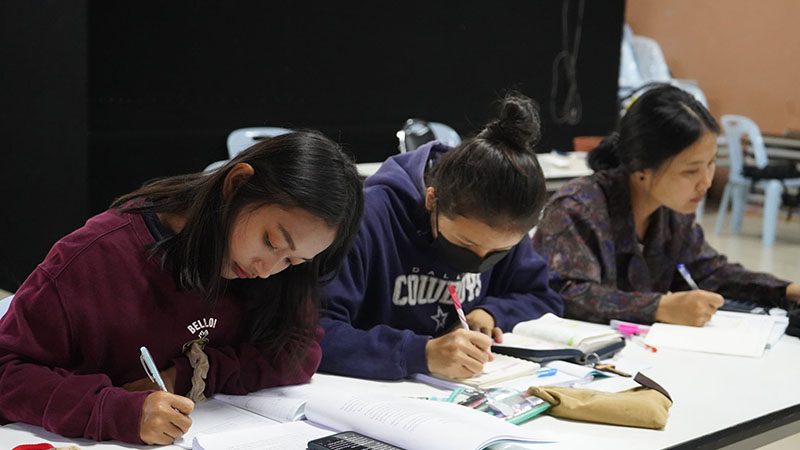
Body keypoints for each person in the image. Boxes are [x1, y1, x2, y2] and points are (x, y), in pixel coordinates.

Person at [0, 131, 364, 445]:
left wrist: (191, 374)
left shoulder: (275, 272)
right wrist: (113, 411)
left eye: (292, 261)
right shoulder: (96, 256)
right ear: (236, 185)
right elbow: (7, 371)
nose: (267, 271)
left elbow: (300, 350)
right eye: (270, 241)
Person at [318, 93, 563, 381]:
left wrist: (491, 313)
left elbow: (542, 298)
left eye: (499, 252)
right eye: (466, 244)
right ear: (432, 200)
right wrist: (420, 354)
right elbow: (315, 334)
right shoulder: (368, 218)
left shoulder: (503, 221)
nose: (479, 260)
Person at [533, 84, 800, 327]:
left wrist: (786, 290)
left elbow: (710, 271)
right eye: (691, 171)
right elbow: (564, 293)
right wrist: (659, 307)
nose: (706, 182)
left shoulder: (670, 211)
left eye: (710, 163)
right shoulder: (577, 209)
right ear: (641, 168)